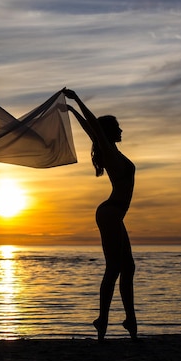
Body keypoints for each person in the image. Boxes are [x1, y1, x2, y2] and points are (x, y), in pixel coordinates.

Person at [63, 89, 138, 341]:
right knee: (114, 268)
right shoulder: (108, 151)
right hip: (110, 214)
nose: (121, 131)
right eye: (117, 127)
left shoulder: (114, 152)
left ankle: (128, 319)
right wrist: (77, 102)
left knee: (128, 267)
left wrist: (74, 111)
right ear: (108, 133)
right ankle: (103, 319)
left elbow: (92, 129)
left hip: (115, 215)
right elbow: (94, 127)